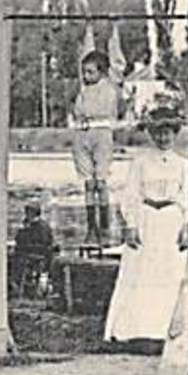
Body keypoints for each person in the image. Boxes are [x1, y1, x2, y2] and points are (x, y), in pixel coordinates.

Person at [105, 104, 188, 346]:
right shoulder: (140, 162)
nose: (164, 138)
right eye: (159, 133)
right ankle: (137, 331)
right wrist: (130, 224)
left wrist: (186, 225)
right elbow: (131, 193)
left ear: (175, 134)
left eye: (169, 133)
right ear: (152, 135)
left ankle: (166, 330)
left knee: (170, 274)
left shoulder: (183, 164)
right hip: (147, 220)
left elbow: (187, 196)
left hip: (171, 221)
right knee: (142, 274)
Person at [69, 50, 122, 243]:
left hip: (101, 134)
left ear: (102, 72)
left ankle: (105, 225)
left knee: (101, 181)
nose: (86, 76)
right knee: (88, 183)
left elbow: (103, 110)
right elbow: (78, 111)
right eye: (84, 72)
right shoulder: (83, 91)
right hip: (82, 135)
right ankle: (92, 227)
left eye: (90, 72)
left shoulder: (108, 89)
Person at [12, 203, 55, 297]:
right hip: (39, 254)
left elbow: (21, 241)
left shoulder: (36, 227)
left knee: (13, 259)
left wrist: (23, 230)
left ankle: (16, 283)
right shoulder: (42, 225)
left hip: (35, 255)